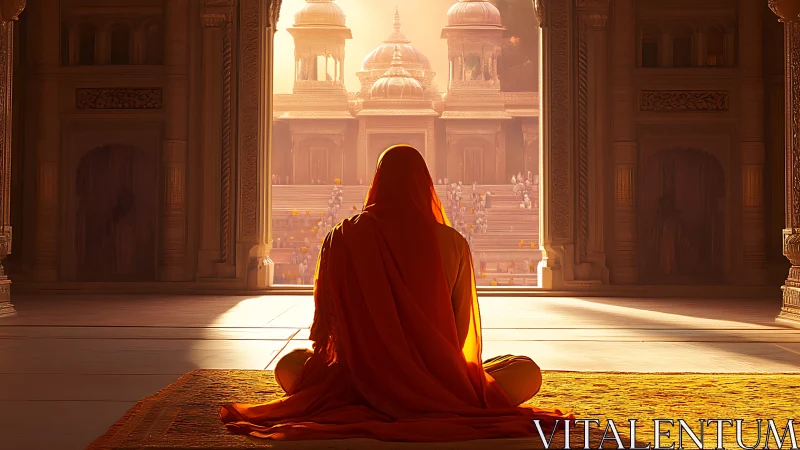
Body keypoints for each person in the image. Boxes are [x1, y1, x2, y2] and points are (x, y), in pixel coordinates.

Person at [220, 145, 572, 441]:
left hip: (357, 383)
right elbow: (461, 330)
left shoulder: (341, 238)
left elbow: (327, 329)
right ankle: (423, 402)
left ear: (376, 184)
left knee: (289, 366)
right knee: (525, 371)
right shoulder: (452, 243)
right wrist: (427, 371)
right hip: (438, 386)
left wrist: (372, 364)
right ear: (425, 186)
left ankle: (376, 401)